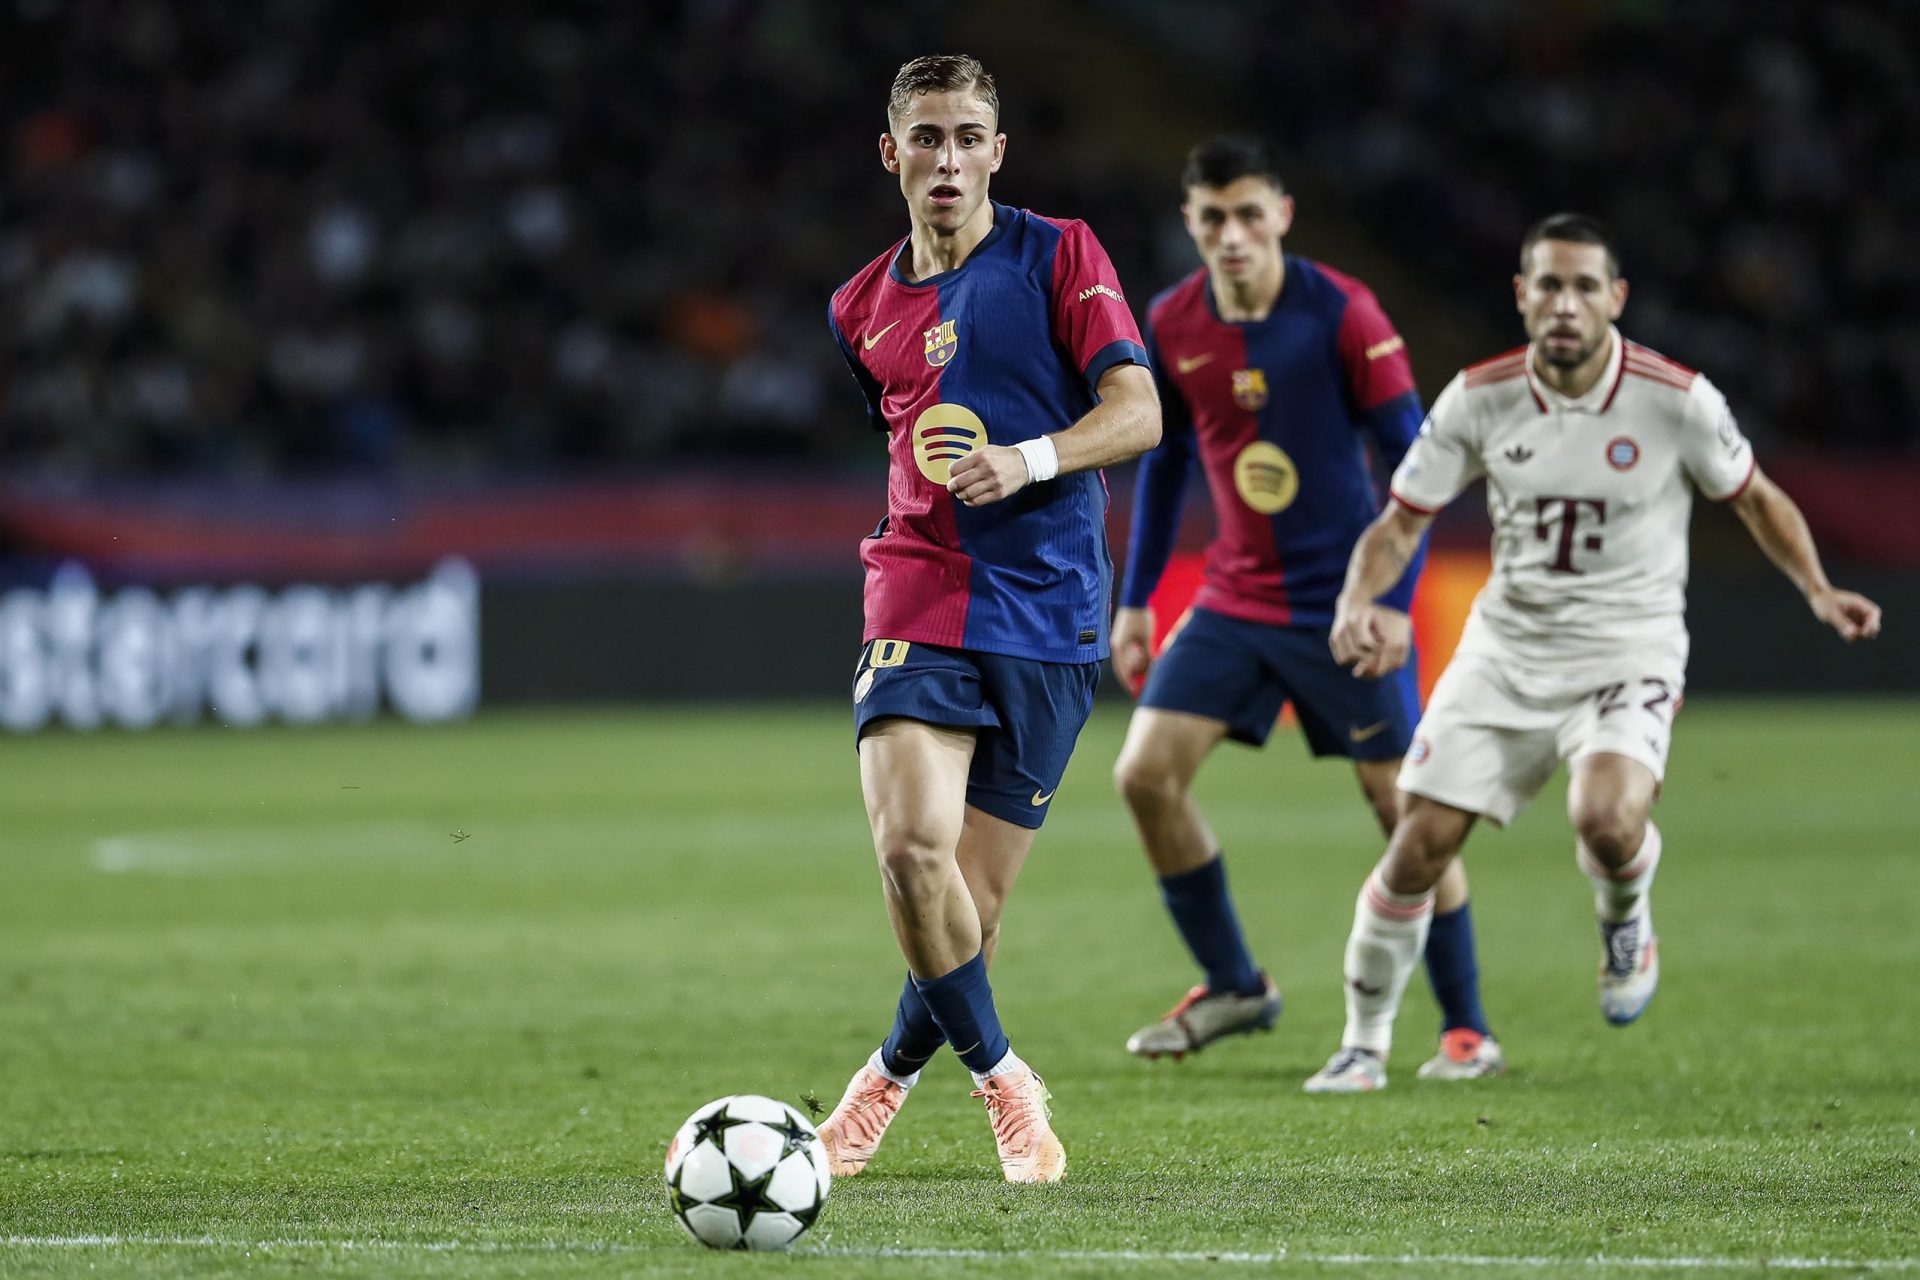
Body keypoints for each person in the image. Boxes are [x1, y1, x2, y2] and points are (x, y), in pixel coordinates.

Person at [1303, 212, 1883, 1092]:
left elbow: (1757, 498)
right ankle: (1364, 1043)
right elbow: (1398, 522)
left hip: (1629, 645)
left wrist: (1816, 588)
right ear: (1522, 296)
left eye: (1584, 286)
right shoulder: (1478, 396)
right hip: (1507, 648)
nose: (1565, 303)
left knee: (1607, 821)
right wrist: (1358, 598)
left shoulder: (1675, 398)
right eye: (1548, 284)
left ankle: (1625, 915)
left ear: (1615, 298)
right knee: (1417, 843)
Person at [816, 54, 1160, 1182]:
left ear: (998, 153)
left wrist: (1031, 456)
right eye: (927, 137)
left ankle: (886, 1075)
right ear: (892, 153)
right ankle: (1007, 1082)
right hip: (916, 585)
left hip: (1049, 608)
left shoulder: (1061, 252)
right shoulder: (859, 306)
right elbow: (901, 425)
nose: (947, 158)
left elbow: (1139, 410)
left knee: (972, 903)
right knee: (913, 850)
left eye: (968, 136)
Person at [1111, 136, 1504, 1082]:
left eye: (1250, 214)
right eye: (1214, 218)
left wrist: (1394, 603)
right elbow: (1163, 467)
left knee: (1403, 813)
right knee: (1144, 776)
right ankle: (1234, 983)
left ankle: (1466, 1027)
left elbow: (1420, 468)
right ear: (1190, 225)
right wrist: (1134, 605)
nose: (1233, 235)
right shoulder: (1170, 321)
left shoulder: (1341, 314)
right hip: (1235, 600)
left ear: (1283, 213)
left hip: (1345, 606)